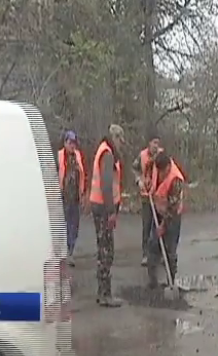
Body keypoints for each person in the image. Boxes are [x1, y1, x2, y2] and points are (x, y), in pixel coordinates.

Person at [88, 124, 126, 307]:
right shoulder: (108, 154)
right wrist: (111, 212)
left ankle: (102, 292)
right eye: (121, 138)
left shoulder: (105, 151)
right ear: (115, 137)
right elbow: (106, 184)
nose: (122, 142)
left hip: (100, 207)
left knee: (103, 248)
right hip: (103, 209)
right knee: (106, 251)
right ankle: (105, 294)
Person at [146, 151, 185, 289]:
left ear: (169, 166)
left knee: (170, 250)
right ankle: (152, 281)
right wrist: (146, 180)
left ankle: (171, 282)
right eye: (159, 171)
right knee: (152, 244)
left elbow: (172, 209)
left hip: (172, 216)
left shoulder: (176, 180)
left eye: (163, 172)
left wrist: (163, 226)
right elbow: (145, 168)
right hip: (158, 212)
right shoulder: (157, 165)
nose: (161, 175)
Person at [132, 132, 162, 266]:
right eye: (154, 142)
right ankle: (145, 254)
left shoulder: (161, 156)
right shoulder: (142, 155)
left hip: (158, 196)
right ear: (149, 143)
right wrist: (138, 180)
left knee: (159, 226)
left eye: (158, 143)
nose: (156, 146)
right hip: (146, 195)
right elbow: (135, 169)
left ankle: (158, 253)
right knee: (147, 224)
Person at [57, 130, 86, 266]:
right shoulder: (59, 156)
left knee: (74, 226)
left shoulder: (78, 156)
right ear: (65, 143)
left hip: (75, 197)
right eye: (70, 143)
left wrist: (82, 193)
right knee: (63, 225)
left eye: (74, 143)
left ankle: (71, 251)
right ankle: (64, 253)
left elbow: (82, 175)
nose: (72, 145)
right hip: (62, 196)